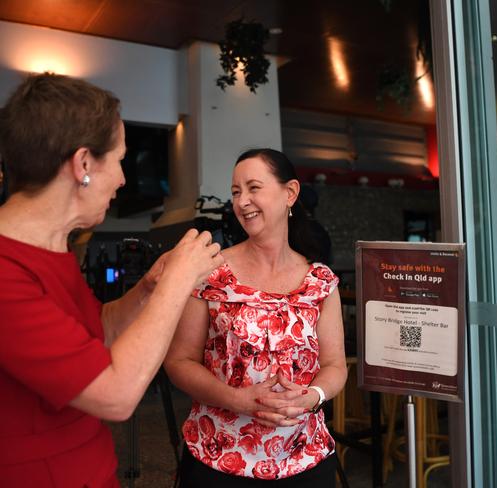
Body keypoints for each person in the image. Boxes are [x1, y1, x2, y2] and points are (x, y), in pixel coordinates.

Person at [0, 73, 223, 487]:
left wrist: (147, 291)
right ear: (83, 164)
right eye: (119, 159)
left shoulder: (53, 248)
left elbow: (92, 335)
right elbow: (115, 396)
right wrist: (177, 283)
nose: (122, 179)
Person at [164, 148, 347, 486]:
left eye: (253, 188)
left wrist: (313, 397)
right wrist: (237, 399)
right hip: (218, 457)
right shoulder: (210, 270)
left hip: (304, 458)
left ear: (289, 193)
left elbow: (335, 365)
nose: (242, 201)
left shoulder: (320, 281)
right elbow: (179, 361)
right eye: (236, 192)